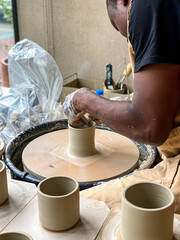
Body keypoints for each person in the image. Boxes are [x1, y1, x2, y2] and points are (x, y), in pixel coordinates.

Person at [63, 0, 180, 213]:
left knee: (75, 209)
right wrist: (118, 105)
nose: (131, 39)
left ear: (123, 1)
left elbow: (149, 127)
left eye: (126, 32)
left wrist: (84, 100)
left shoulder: (148, 6)